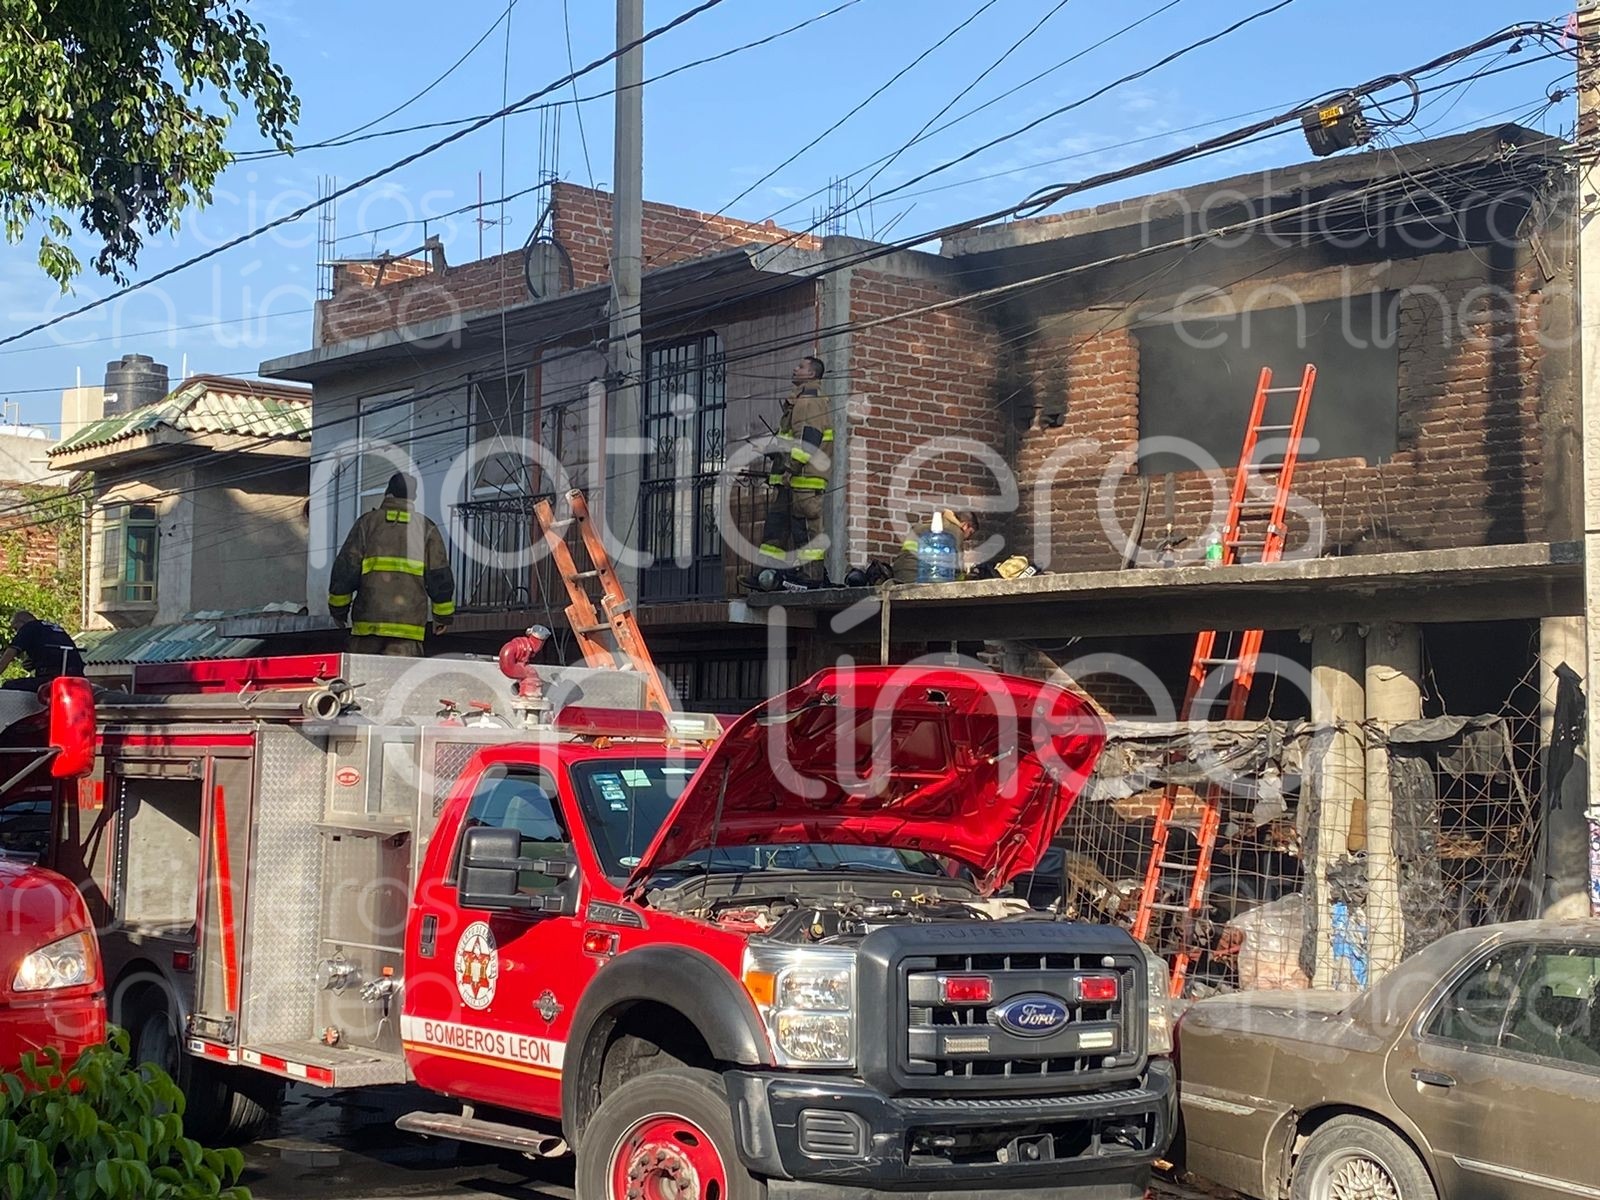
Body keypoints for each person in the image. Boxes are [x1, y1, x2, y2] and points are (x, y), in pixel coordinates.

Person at [328, 473, 455, 657]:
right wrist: (442, 617)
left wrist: (338, 611)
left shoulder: (367, 524)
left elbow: (345, 570)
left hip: (368, 627)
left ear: (388, 492)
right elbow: (439, 577)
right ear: (414, 497)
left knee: (362, 674)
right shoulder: (426, 528)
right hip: (408, 631)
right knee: (401, 676)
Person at [755, 356, 833, 586]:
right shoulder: (799, 401)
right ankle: (767, 575)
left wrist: (790, 469)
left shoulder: (809, 402)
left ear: (811, 374)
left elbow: (808, 441)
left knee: (805, 532)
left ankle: (810, 578)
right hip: (790, 482)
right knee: (775, 530)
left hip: (803, 482)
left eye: (800, 366)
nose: (794, 369)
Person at [0, 611, 85, 691]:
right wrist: (34, 663)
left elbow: (7, 657)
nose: (16, 632)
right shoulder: (55, 628)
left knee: (8, 686)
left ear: (21, 622)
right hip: (77, 679)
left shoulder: (28, 627)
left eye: (16, 628)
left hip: (51, 679)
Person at [892, 509, 978, 584]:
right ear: (965, 525)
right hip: (918, 576)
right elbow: (957, 566)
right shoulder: (956, 531)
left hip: (899, 572)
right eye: (970, 533)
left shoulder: (924, 525)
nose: (968, 538)